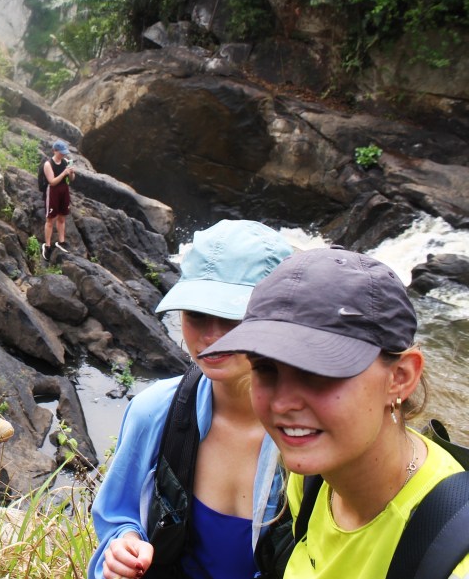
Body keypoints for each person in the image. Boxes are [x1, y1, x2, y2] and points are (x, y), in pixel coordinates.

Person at [200, 247, 469, 579]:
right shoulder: (311, 479)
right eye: (266, 369)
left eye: (319, 372)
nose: (283, 404)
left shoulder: (451, 557)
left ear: (400, 378)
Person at [90, 220, 294, 579]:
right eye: (197, 313)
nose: (212, 336)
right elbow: (115, 516)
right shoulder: (156, 411)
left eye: (234, 316)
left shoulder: (311, 431)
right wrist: (123, 547)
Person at [41, 139, 75, 262]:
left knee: (62, 217)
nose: (63, 155)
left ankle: (61, 241)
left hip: (64, 190)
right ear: (55, 151)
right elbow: (52, 181)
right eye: (61, 152)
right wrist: (63, 173)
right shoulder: (48, 164)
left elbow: (71, 179)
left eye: (64, 152)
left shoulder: (65, 162)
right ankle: (47, 245)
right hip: (53, 191)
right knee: (50, 218)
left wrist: (71, 173)